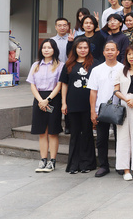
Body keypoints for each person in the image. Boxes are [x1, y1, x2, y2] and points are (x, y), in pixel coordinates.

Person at [60, 38, 98, 174]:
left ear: (89, 49)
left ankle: (87, 164)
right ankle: (73, 165)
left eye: (85, 47)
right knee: (75, 134)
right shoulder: (68, 64)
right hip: (73, 104)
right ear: (75, 49)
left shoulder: (95, 64)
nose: (82, 50)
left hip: (88, 105)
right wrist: (64, 102)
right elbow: (64, 84)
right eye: (80, 47)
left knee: (87, 133)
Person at [88, 40, 124, 177]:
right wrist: (93, 111)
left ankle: (121, 165)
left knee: (120, 139)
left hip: (119, 109)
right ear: (103, 52)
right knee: (101, 139)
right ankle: (104, 166)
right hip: (101, 109)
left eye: (112, 49)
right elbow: (93, 92)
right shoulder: (97, 70)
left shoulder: (123, 68)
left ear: (117, 52)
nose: (110, 52)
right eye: (107, 50)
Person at [28, 39, 63, 173]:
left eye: (49, 47)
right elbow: (32, 85)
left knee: (53, 132)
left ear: (54, 49)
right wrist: (40, 100)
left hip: (53, 98)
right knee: (42, 132)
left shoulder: (60, 65)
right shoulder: (36, 65)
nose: (46, 50)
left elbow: (59, 85)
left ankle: (52, 161)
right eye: (44, 47)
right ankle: (43, 159)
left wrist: (47, 100)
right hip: (39, 99)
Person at [112, 45, 133, 181]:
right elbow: (116, 90)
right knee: (123, 137)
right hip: (124, 105)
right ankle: (125, 169)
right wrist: (126, 99)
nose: (131, 57)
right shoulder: (121, 70)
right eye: (129, 54)